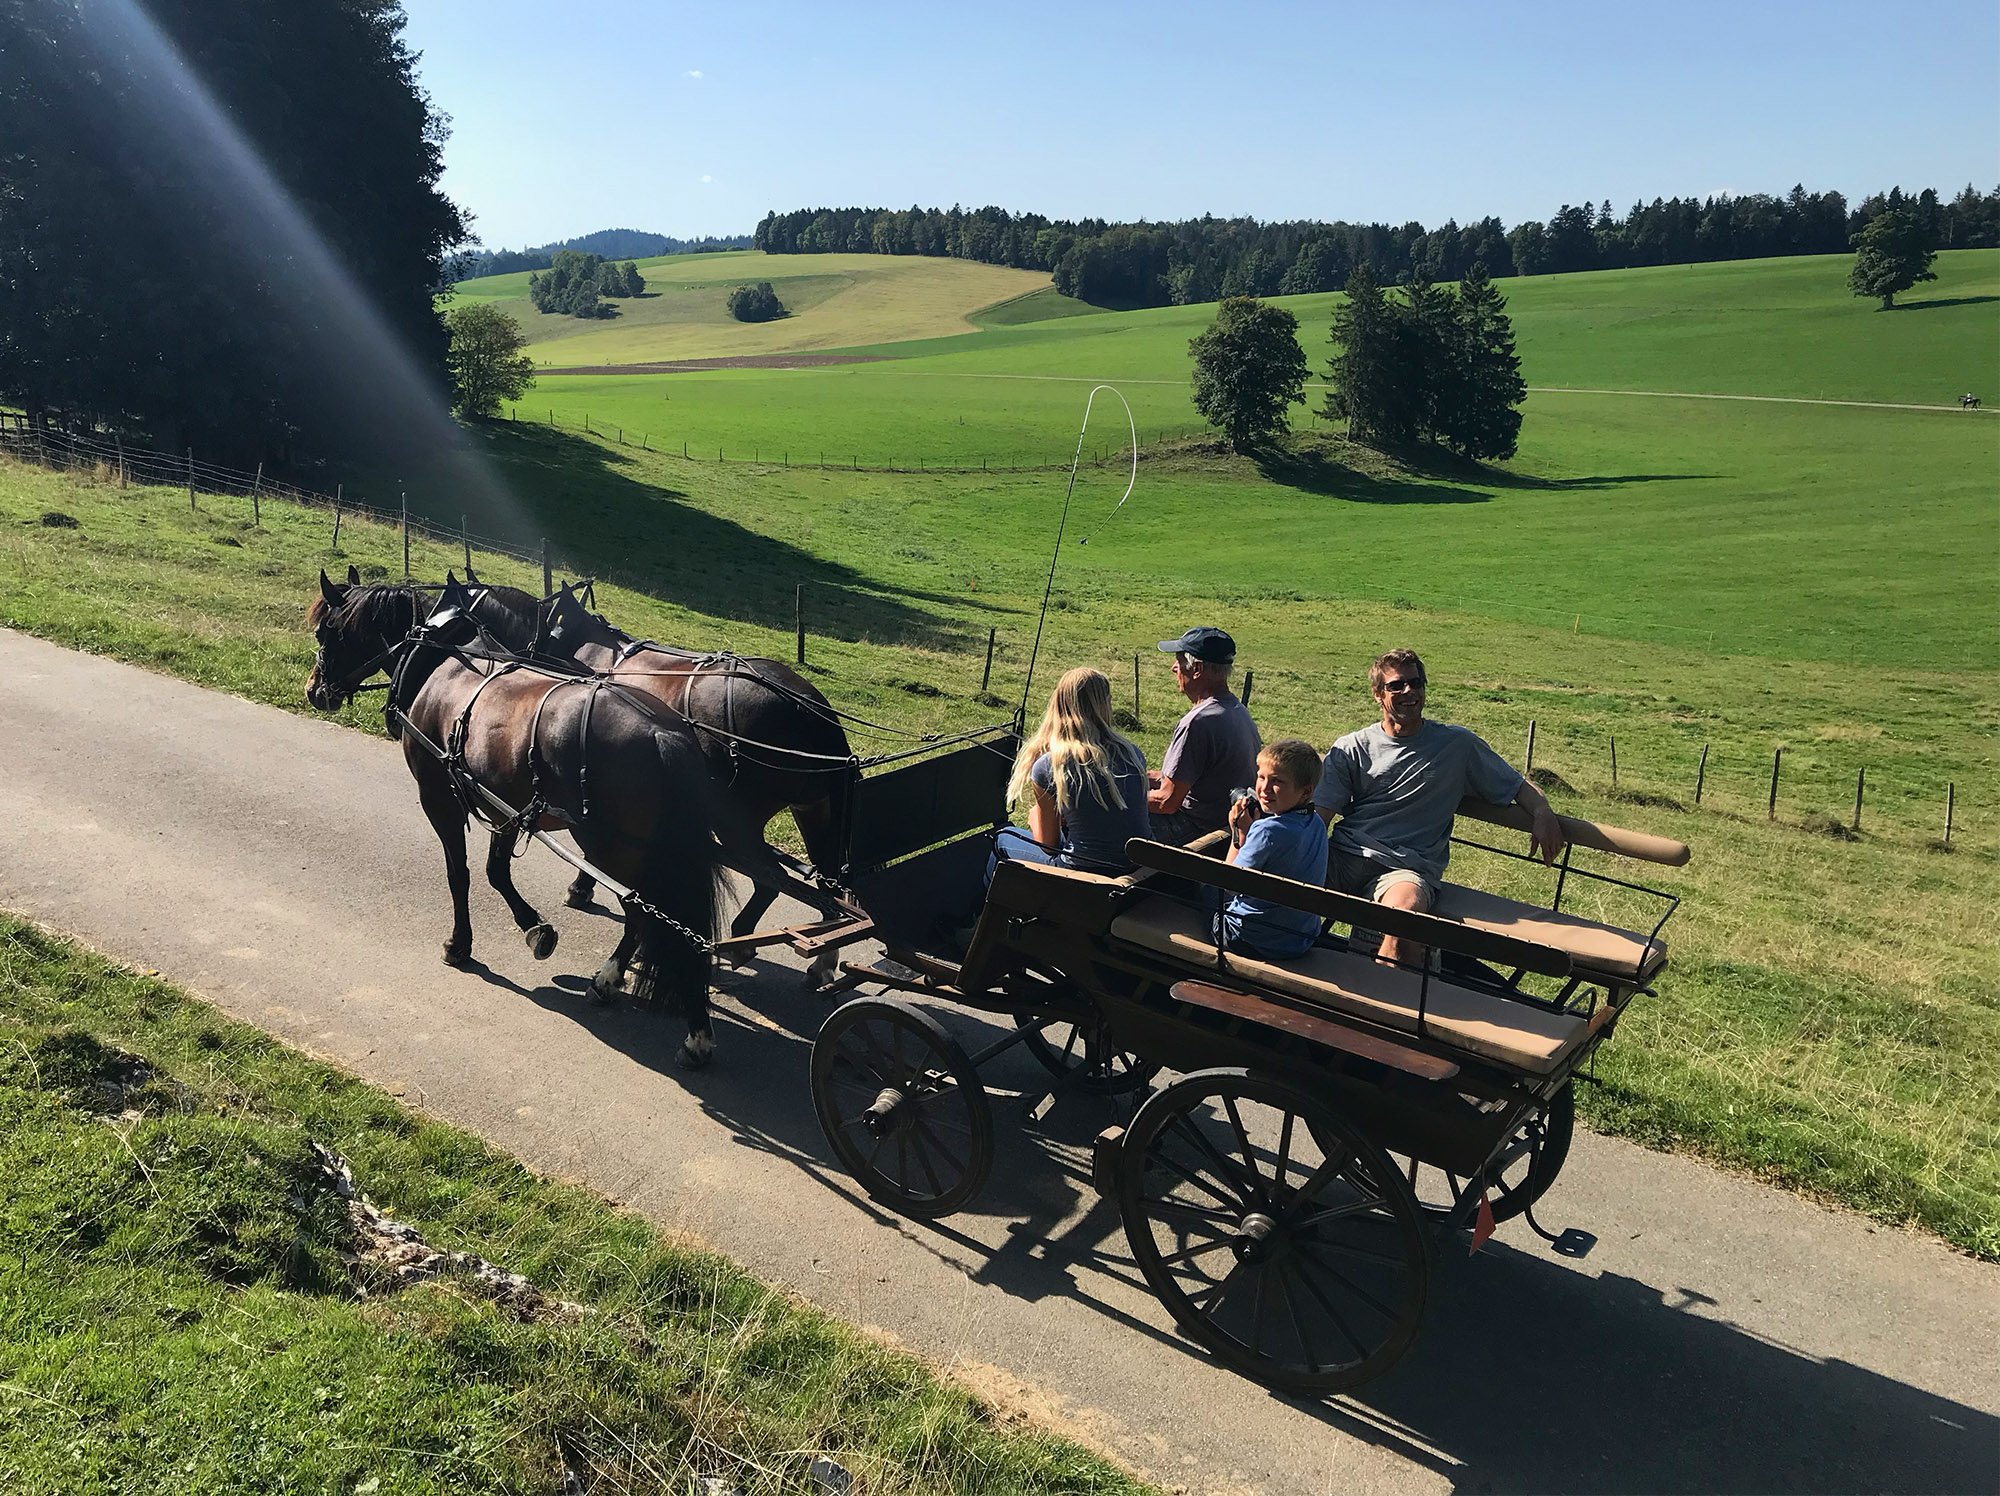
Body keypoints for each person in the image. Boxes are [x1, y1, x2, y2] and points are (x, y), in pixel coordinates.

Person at [1314, 648, 1565, 967]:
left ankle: (1385, 1002)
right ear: (1378, 694)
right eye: (1396, 685)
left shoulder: (1457, 746)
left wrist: (1543, 812)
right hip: (1346, 856)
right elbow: (1318, 818)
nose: (1409, 692)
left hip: (1406, 868)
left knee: (1403, 920)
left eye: (1416, 683)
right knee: (1276, 881)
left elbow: (1517, 785)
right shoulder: (1351, 747)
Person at [991, 666, 1151, 878]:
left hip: (1081, 873)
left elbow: (1049, 846)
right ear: (1105, 705)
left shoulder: (1050, 766)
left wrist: (1033, 819)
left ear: (1059, 704)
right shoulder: (1131, 753)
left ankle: (985, 909)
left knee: (1003, 837)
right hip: (1135, 869)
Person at [1146, 625, 1261, 846]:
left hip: (1195, 830)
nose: (1174, 668)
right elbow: (1193, 778)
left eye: (1179, 661)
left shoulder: (1197, 722)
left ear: (1196, 669)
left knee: (1105, 815)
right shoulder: (1235, 709)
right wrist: (1139, 777)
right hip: (1223, 825)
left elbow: (1167, 802)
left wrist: (1121, 797)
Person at [1222, 738, 1330, 960]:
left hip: (1250, 939)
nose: (1264, 788)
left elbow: (1228, 883)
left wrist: (1239, 834)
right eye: (1261, 777)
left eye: (1277, 781)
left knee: (1201, 889)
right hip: (1298, 939)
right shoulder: (1316, 822)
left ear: (1305, 791)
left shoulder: (1267, 831)